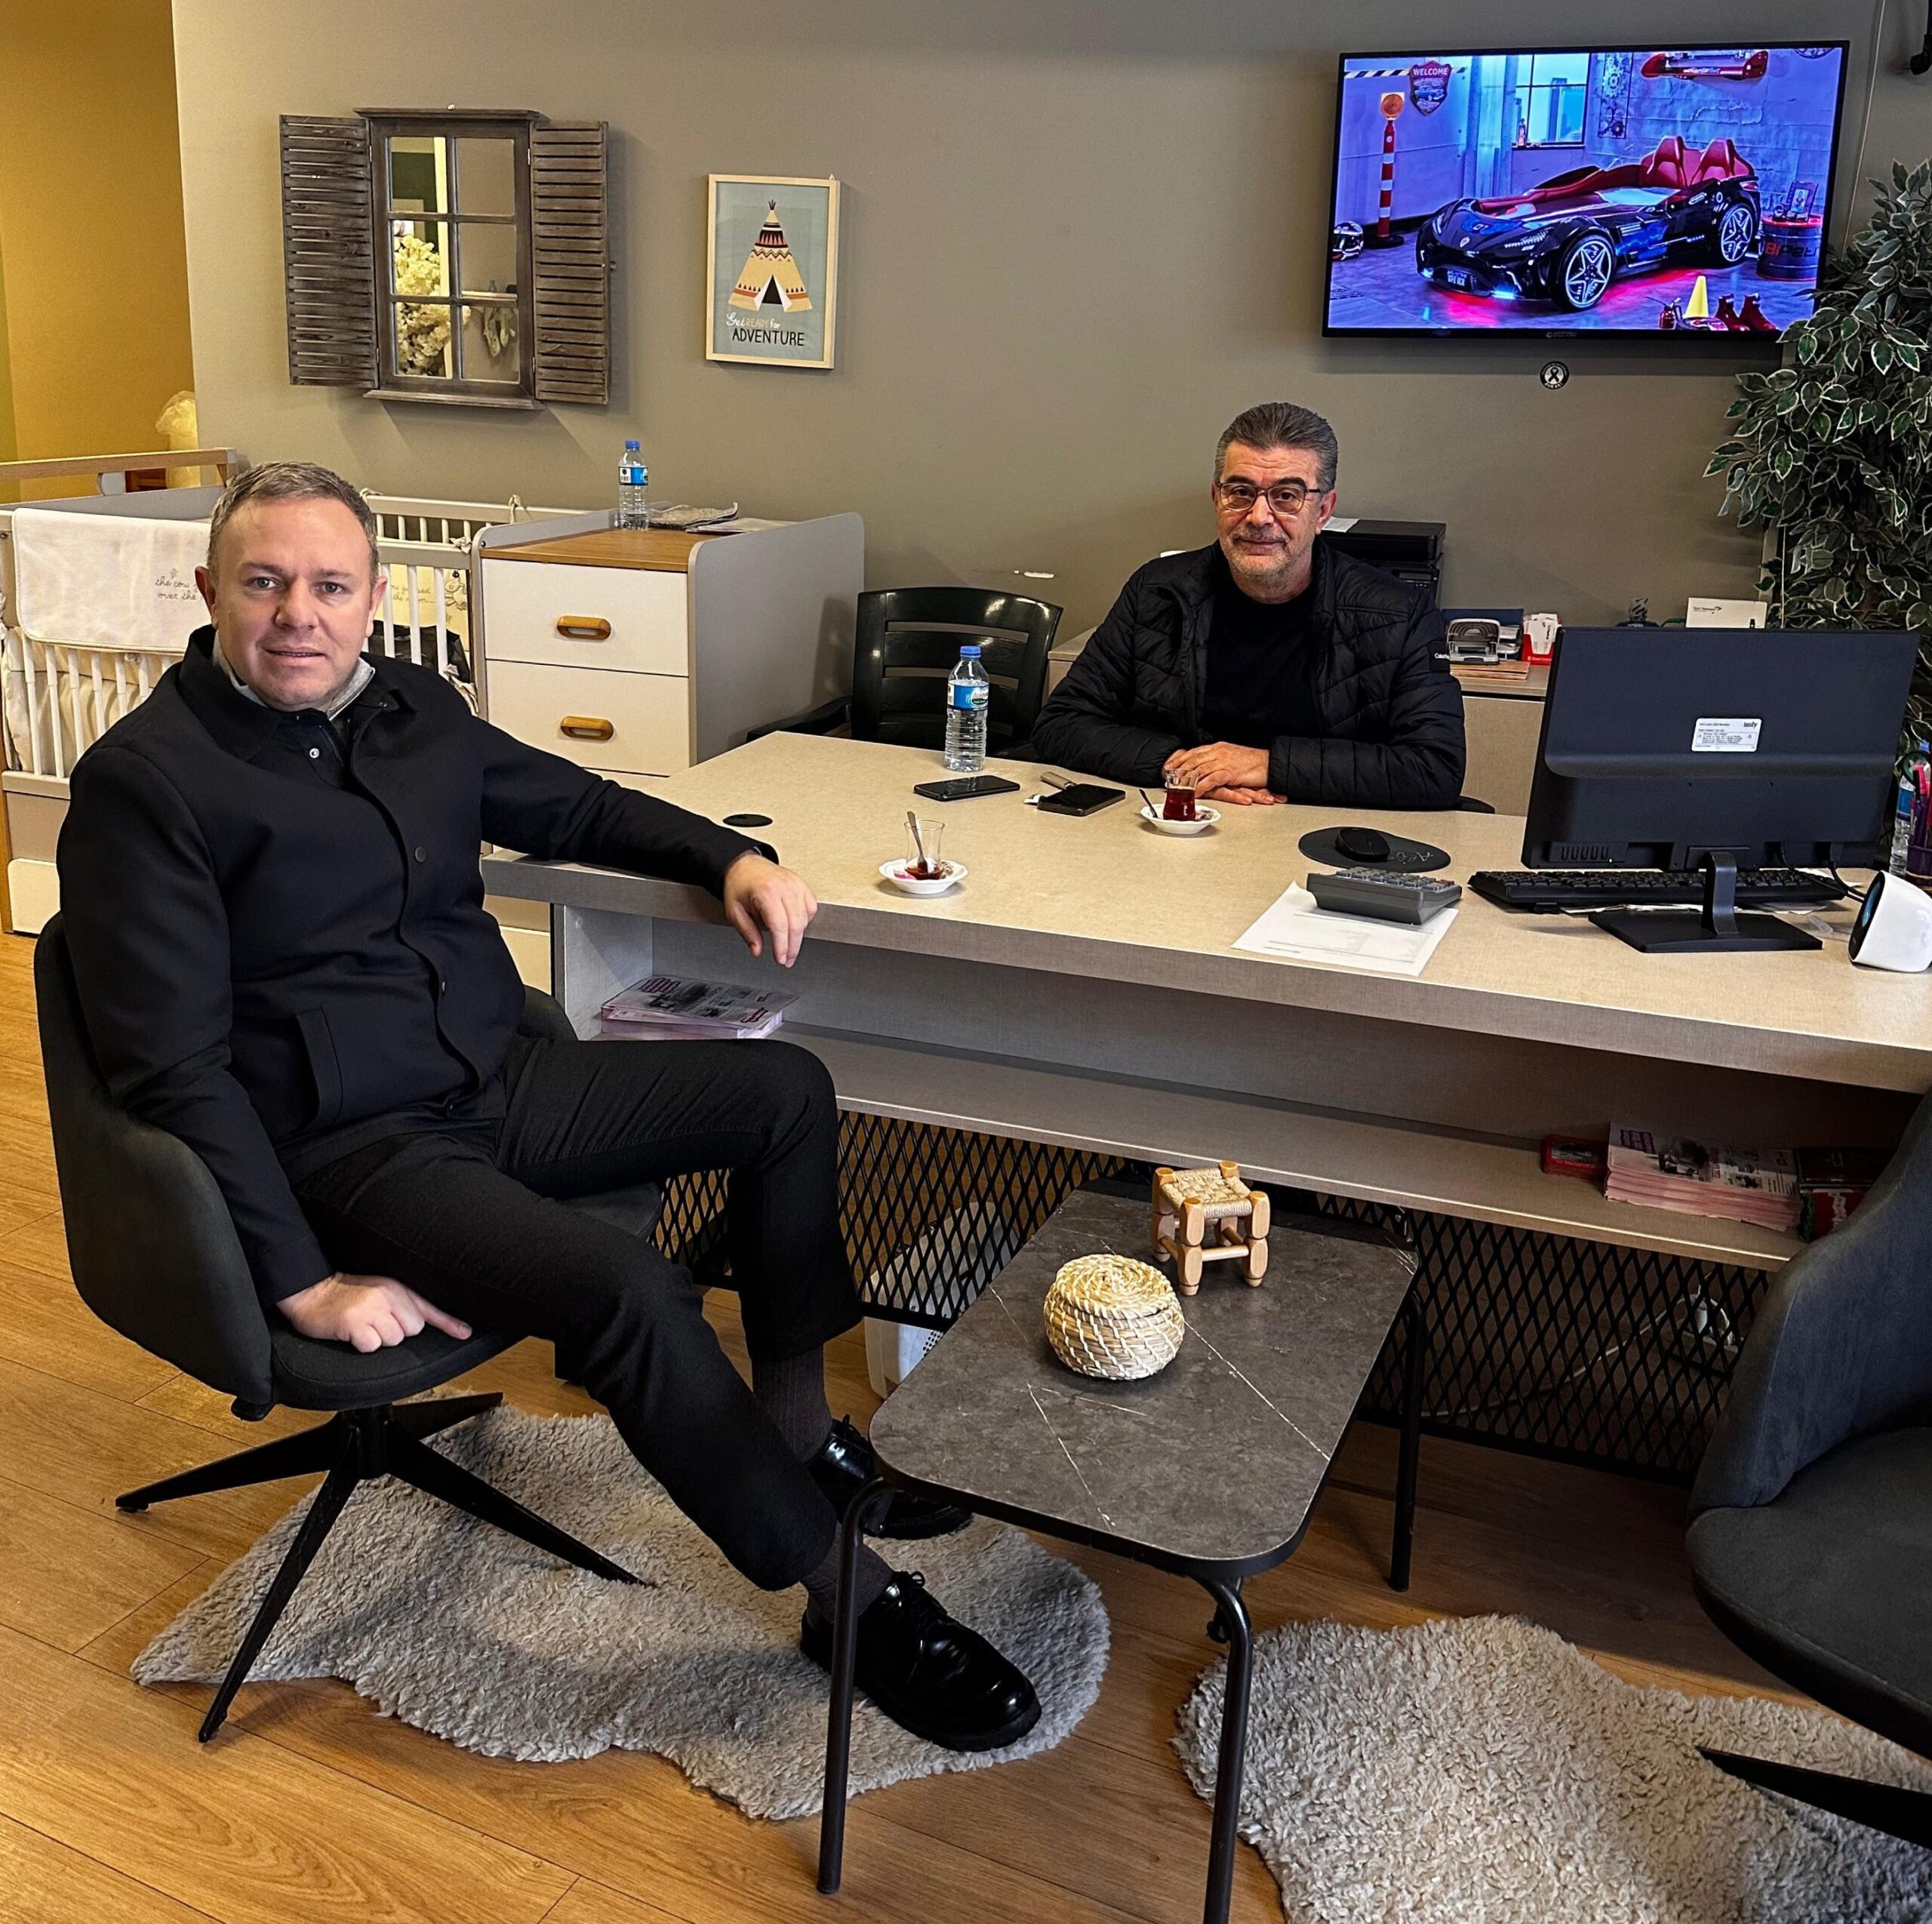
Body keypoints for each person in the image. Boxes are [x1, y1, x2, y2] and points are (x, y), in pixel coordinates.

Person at [57, 463, 1037, 1753]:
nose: (299, 613)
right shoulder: (147, 782)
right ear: (210, 590)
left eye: (330, 585)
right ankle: (847, 1601)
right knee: (630, 1291)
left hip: (499, 1079)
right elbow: (173, 1070)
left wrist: (726, 856)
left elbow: (571, 801)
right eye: (266, 582)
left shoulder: (412, 707)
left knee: (785, 1090)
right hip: (354, 1147)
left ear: (373, 599)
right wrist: (304, 1283)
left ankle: (801, 1441)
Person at [1031, 401, 1466, 811]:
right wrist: (1186, 769)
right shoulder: (1156, 591)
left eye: (1287, 495)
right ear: (1216, 498)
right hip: (1183, 821)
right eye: (1240, 492)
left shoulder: (1400, 613)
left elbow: (1434, 767)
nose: (1258, 517)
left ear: (1323, 511)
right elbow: (1062, 723)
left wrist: (1264, 765)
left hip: (1317, 832)